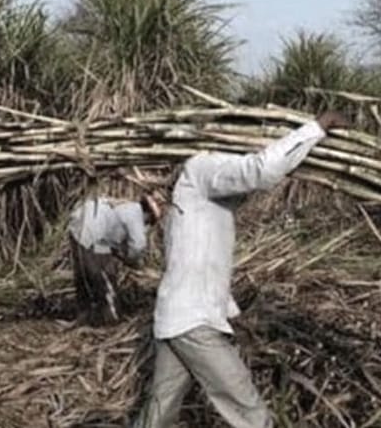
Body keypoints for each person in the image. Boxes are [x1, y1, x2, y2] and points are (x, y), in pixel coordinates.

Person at [132, 112, 349, 428]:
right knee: (251, 414)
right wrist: (316, 128)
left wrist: (229, 310)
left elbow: (199, 260)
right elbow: (260, 171)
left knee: (157, 417)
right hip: (193, 322)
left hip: (177, 319)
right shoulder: (201, 168)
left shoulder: (191, 198)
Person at [68, 192, 163, 326]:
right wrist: (133, 261)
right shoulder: (136, 216)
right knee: (105, 278)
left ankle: (86, 315)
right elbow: (138, 246)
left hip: (79, 226)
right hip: (93, 234)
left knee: (84, 278)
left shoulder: (127, 206)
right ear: (148, 214)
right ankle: (111, 319)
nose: (147, 224)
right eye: (149, 221)